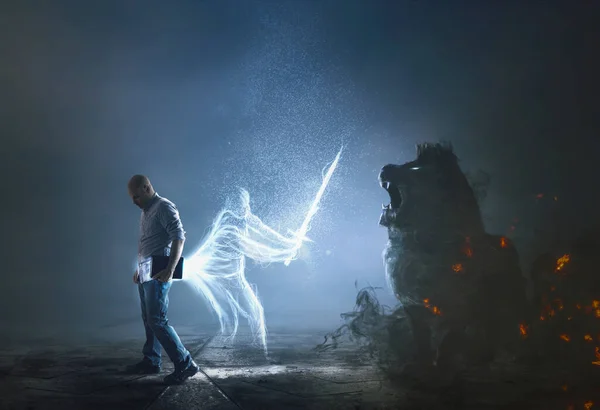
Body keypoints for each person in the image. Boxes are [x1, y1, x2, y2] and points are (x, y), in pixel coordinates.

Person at [125, 174, 198, 384]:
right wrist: (140, 268)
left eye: (136, 196)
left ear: (147, 188)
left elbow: (179, 237)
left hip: (158, 274)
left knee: (157, 320)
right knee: (149, 320)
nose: (134, 202)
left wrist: (170, 268)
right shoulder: (147, 211)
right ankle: (152, 360)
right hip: (146, 272)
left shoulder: (164, 207)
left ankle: (186, 364)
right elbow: (149, 242)